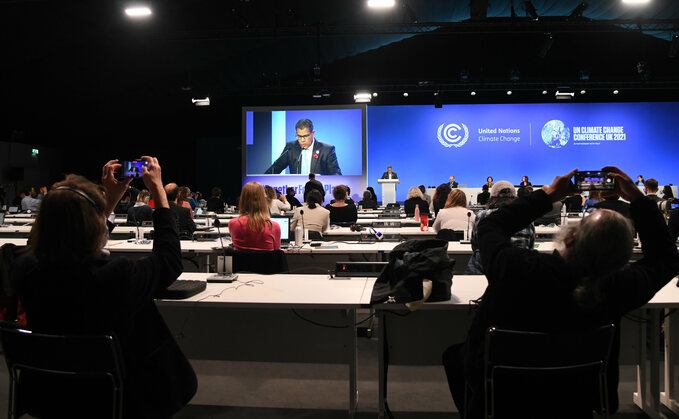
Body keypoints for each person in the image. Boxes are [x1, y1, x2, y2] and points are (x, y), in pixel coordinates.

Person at [443, 167, 679, 419]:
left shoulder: (516, 269)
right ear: (624, 255)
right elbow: (665, 258)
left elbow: (490, 226)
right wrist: (639, 199)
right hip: (578, 399)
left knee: (453, 356)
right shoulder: (620, 287)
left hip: (502, 397)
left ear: (570, 238)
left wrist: (547, 195)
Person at [11, 157, 197, 418]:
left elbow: (65, 243)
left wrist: (109, 200)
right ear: (93, 225)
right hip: (117, 396)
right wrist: (158, 191)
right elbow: (168, 260)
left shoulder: (24, 269)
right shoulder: (115, 276)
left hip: (48, 393)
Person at [466, 181, 534, 274]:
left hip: (487, 267)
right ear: (515, 197)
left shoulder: (481, 215)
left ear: (492, 197)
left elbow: (475, 244)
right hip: (520, 268)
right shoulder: (527, 216)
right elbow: (531, 246)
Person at [265, 118, 342, 175]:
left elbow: (336, 175)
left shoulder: (326, 150)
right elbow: (275, 169)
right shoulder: (291, 147)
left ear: (313, 133)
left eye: (305, 136)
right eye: (299, 136)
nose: (302, 140)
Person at [229, 182, 281, 251]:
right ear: (263, 200)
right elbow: (277, 254)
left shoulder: (233, 224)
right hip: (266, 262)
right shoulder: (274, 226)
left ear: (243, 199)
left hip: (242, 262)